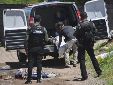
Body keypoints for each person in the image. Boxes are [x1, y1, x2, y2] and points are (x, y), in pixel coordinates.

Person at [74, 12, 102, 81]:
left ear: (81, 17)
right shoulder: (91, 23)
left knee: (82, 60)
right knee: (93, 57)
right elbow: (95, 31)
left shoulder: (79, 25)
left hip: (82, 44)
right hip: (90, 43)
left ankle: (84, 76)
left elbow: (76, 34)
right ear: (87, 16)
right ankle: (99, 72)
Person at [25, 15, 49, 84]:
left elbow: (26, 40)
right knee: (39, 63)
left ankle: (29, 80)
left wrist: (26, 49)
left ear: (34, 20)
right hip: (40, 49)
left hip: (31, 49)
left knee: (30, 64)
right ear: (40, 20)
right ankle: (38, 79)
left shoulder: (30, 28)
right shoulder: (43, 29)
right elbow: (47, 40)